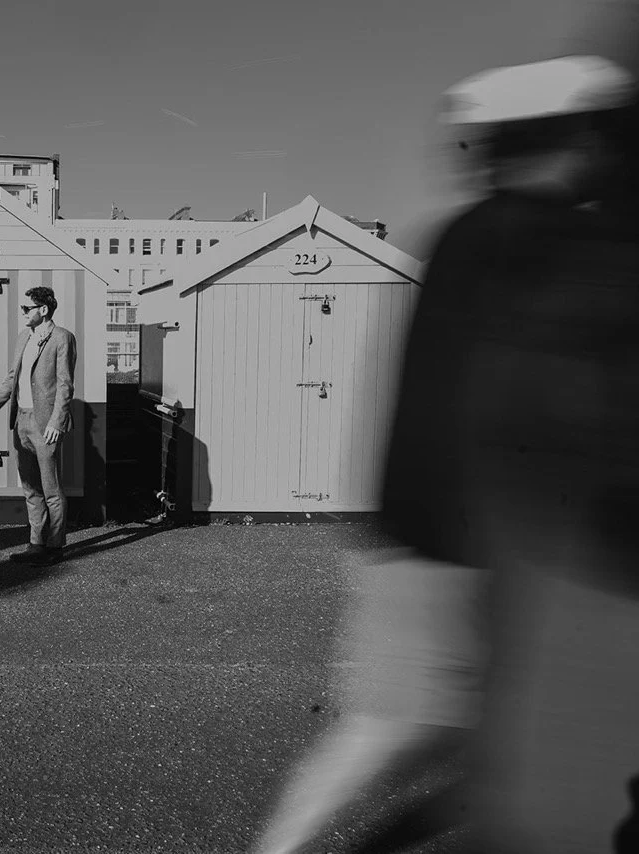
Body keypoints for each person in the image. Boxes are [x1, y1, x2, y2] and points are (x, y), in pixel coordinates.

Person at [249, 54, 637, 854]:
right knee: (395, 731)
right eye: (600, 135)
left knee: (450, 740)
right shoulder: (529, 240)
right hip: (458, 553)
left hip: (443, 544)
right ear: (566, 140)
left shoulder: (478, 236)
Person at [0, 287, 77, 567]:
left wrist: (57, 421)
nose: (23, 313)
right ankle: (36, 544)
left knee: (51, 489)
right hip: (21, 420)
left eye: (27, 308)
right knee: (30, 487)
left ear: (43, 310)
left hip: (46, 423)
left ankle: (55, 547)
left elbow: (65, 384)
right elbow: (12, 379)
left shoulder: (62, 338)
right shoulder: (24, 338)